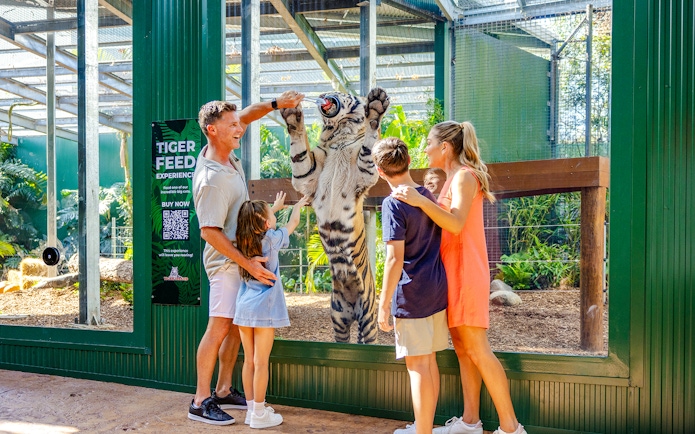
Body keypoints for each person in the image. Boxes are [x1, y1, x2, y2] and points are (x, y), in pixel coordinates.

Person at [392, 121, 526, 434]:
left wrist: (420, 200)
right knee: (464, 351)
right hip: (450, 274)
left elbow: (455, 223)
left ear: (445, 148)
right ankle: (470, 423)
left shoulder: (465, 176)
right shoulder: (452, 177)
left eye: (429, 142)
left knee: (478, 349)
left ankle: (511, 428)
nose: (425, 148)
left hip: (466, 273)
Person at [188, 91, 305, 426]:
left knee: (239, 329)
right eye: (232, 125)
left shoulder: (227, 154)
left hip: (243, 259)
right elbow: (209, 232)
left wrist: (276, 105)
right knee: (220, 326)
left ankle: (224, 389)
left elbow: (247, 116)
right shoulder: (211, 179)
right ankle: (200, 400)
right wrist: (246, 262)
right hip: (227, 262)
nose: (239, 128)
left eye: (238, 123)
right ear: (212, 130)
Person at [372, 137, 449, 434]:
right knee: (429, 362)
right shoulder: (428, 196)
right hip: (436, 289)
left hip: (411, 294)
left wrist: (383, 304)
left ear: (380, 170)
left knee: (416, 367)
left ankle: (422, 431)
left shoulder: (393, 203)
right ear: (407, 162)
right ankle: (424, 427)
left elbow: (394, 260)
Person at [233, 193, 310, 429]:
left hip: (244, 307)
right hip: (263, 308)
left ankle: (251, 409)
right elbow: (293, 223)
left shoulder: (243, 241)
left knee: (248, 362)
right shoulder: (271, 239)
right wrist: (297, 205)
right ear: (266, 223)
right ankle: (259, 414)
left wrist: (273, 208)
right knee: (261, 361)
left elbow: (255, 223)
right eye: (270, 214)